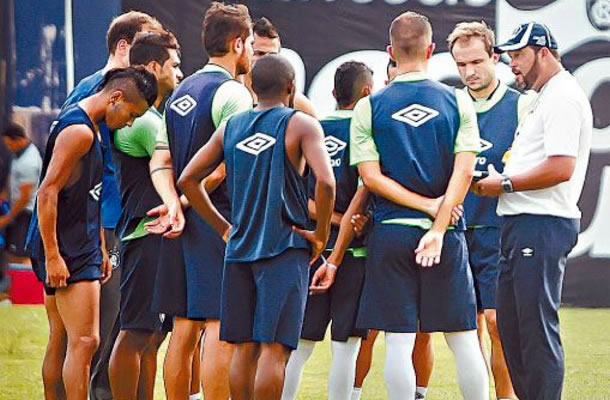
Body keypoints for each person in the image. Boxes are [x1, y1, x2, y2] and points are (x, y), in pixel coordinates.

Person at [177, 53, 335, 400]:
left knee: (243, 349)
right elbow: (326, 182)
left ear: (250, 87)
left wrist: (222, 228)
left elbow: (188, 179)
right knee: (274, 351)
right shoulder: (302, 124)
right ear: (292, 88)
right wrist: (321, 234)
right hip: (284, 248)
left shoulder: (231, 126)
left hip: (239, 252)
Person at [350, 11, 489, 400]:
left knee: (398, 341)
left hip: (391, 234)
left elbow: (371, 178)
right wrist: (439, 223)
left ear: (390, 52)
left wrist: (427, 207)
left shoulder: (368, 107)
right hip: (445, 239)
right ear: (431, 50)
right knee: (463, 340)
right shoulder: (458, 101)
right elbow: (464, 173)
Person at [474, 22, 593, 400]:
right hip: (520, 222)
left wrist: (505, 184)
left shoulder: (563, 96)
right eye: (509, 57)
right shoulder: (546, 94)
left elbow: (562, 167)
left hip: (541, 224)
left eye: (519, 55)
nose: (513, 64)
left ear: (544, 52)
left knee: (535, 331)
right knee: (512, 330)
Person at [27, 67, 158, 400]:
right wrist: (54, 255)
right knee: (84, 341)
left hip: (78, 240)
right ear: (115, 98)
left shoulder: (87, 125)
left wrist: (100, 244)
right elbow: (47, 192)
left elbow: (89, 192)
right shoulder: (81, 132)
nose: (129, 123)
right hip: (68, 245)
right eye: (131, 114)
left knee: (63, 338)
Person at [150, 3, 254, 399]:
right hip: (217, 219)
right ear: (238, 43)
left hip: (183, 223)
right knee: (219, 326)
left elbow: (161, 159)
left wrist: (174, 204)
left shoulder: (181, 91)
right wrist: (184, 202)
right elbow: (226, 165)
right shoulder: (233, 93)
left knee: (183, 328)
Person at [59, 11, 164, 400]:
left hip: (115, 222)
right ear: (123, 47)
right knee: (105, 329)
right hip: (105, 225)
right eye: (142, 46)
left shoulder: (125, 91)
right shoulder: (95, 91)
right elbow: (76, 170)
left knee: (124, 326)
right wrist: (95, 232)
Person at [447, 21, 538, 400]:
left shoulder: (522, 104)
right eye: (461, 64)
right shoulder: (450, 104)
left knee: (498, 322)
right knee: (465, 330)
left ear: (494, 57)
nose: (469, 71)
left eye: (477, 61)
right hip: (455, 230)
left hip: (498, 230)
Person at [281, 61, 372, 400]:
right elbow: (370, 190)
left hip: (311, 251)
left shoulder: (311, 131)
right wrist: (347, 220)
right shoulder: (367, 133)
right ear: (367, 94)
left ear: (333, 94)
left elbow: (297, 198)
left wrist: (332, 220)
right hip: (354, 253)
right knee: (346, 348)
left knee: (299, 346)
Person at [350, 57, 436, 400]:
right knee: (371, 330)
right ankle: (353, 393)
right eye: (391, 78)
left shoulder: (436, 110)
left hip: (427, 232)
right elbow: (363, 183)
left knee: (422, 330)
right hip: (384, 231)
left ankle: (418, 394)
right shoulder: (373, 112)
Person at [107, 32, 183, 400]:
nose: (181, 73)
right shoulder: (145, 123)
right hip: (144, 235)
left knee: (152, 336)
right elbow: (169, 165)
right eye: (175, 65)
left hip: (157, 237)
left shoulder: (154, 116)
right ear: (154, 67)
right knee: (135, 331)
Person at [240, 17, 318, 118]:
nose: (267, 60)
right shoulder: (232, 94)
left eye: (272, 54)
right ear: (246, 51)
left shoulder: (296, 102)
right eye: (260, 53)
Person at [0, 122, 42, 262]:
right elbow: (13, 180)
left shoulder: (29, 162)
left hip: (25, 215)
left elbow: (25, 197)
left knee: (20, 257)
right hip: (17, 212)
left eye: (9, 144)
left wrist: (7, 218)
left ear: (19, 139)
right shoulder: (19, 154)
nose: (8, 148)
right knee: (9, 254)